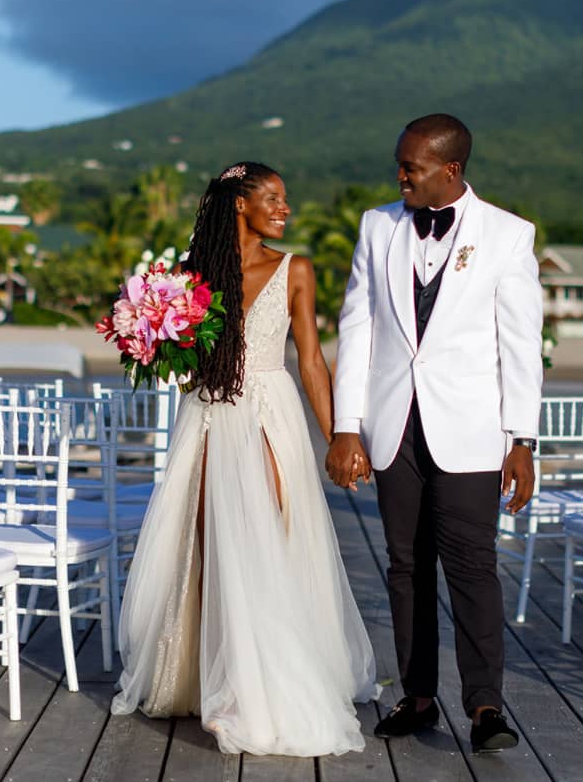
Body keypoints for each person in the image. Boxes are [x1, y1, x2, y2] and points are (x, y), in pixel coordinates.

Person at [112, 161, 380, 756]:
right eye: (273, 197)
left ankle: (262, 685)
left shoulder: (296, 269)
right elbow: (176, 363)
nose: (285, 208)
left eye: (286, 198)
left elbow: (311, 360)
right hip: (209, 415)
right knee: (209, 542)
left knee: (271, 539)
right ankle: (214, 677)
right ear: (240, 203)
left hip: (270, 413)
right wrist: (156, 342)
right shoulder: (188, 278)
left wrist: (340, 435)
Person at [326, 114, 543, 754]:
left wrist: (522, 439)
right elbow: (356, 328)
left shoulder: (508, 235)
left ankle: (484, 709)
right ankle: (417, 698)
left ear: (449, 169)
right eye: (399, 164)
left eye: (410, 167)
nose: (399, 176)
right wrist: (346, 428)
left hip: (472, 430)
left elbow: (521, 345)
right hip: (394, 427)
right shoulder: (377, 226)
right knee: (406, 566)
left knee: (473, 566)